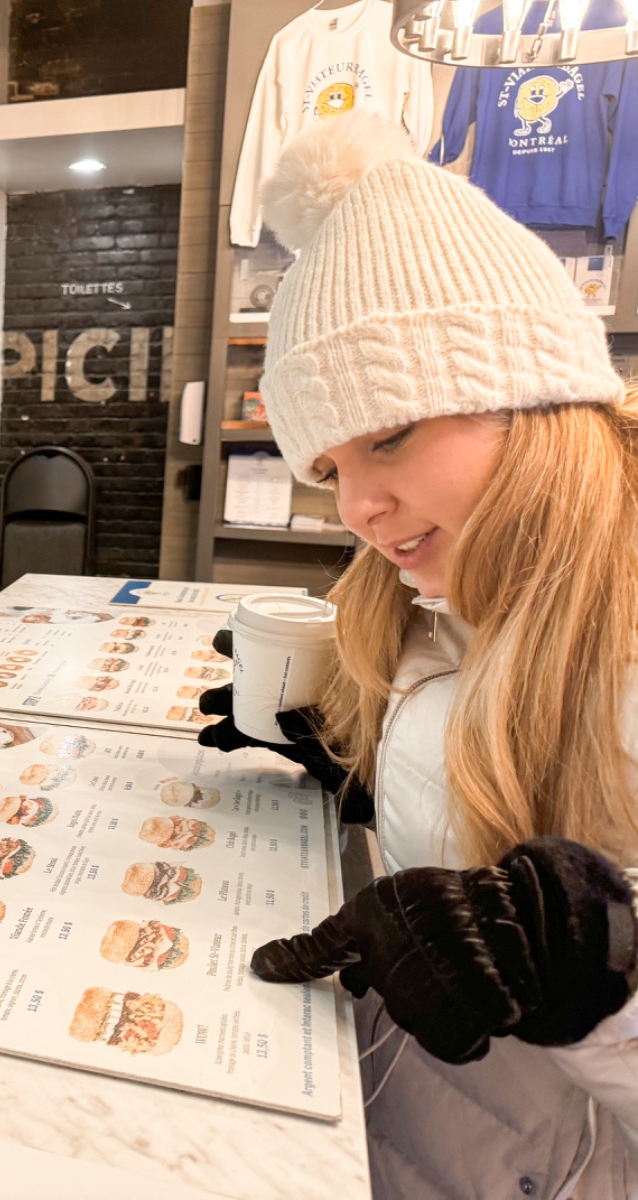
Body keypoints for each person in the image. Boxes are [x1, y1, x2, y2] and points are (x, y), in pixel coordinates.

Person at [198, 111, 638, 1199]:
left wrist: (598, 985)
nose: (358, 507)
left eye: (389, 436)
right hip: (380, 1134)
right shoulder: (431, 615)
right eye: (329, 468)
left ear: (534, 400)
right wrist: (364, 777)